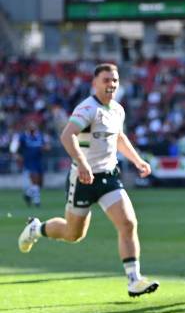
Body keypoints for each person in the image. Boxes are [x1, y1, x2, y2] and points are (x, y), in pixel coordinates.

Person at [17, 63, 159, 298]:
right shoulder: (88, 108)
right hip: (83, 179)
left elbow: (119, 137)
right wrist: (82, 163)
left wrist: (137, 160)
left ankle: (134, 280)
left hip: (108, 176)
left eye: (114, 80)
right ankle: (37, 228)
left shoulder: (117, 110)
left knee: (128, 223)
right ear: (95, 83)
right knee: (73, 234)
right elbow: (67, 135)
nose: (111, 84)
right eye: (106, 80)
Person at [10, 121, 50, 207]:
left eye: (34, 125)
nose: (32, 127)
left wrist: (45, 148)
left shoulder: (40, 136)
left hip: (39, 160)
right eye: (30, 126)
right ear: (27, 127)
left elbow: (47, 146)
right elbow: (13, 148)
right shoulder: (22, 136)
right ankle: (37, 201)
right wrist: (17, 156)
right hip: (28, 161)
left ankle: (28, 195)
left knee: (40, 183)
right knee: (34, 178)